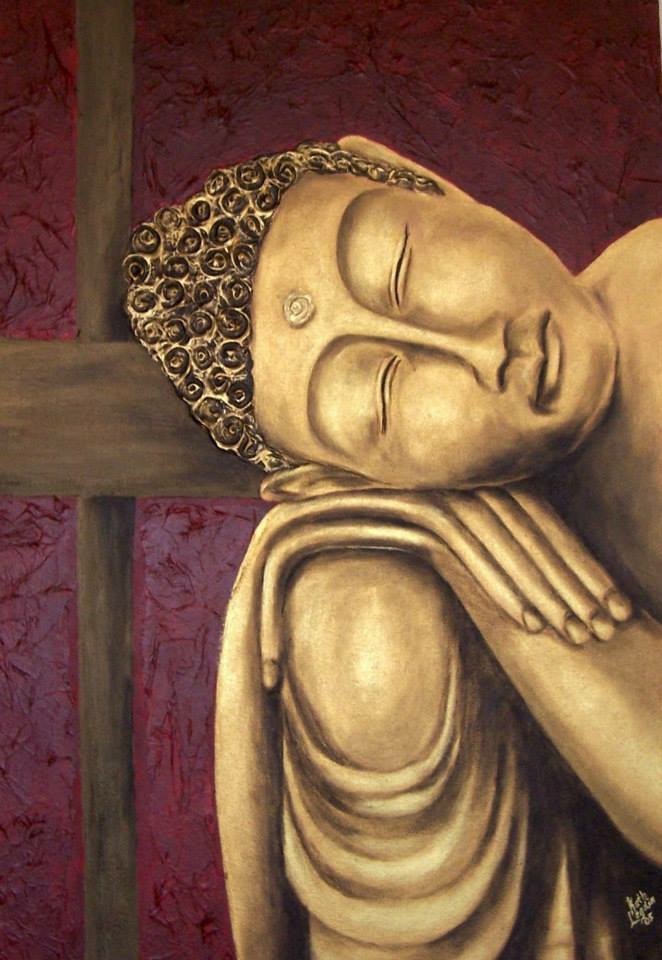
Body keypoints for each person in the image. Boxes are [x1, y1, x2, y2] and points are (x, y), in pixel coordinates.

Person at [125, 137, 662, 959]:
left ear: (433, 182)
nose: (479, 353)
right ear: (350, 482)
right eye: (383, 399)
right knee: (353, 612)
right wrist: (442, 532)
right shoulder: (397, 560)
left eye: (404, 266)